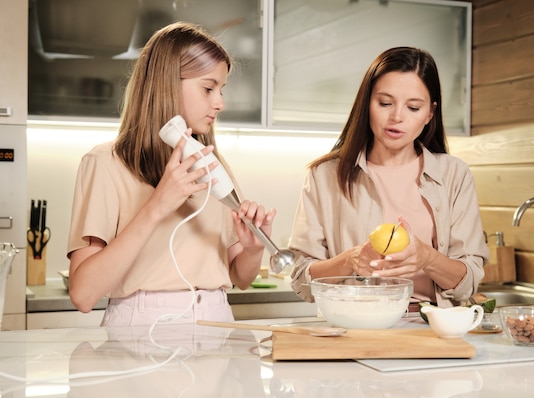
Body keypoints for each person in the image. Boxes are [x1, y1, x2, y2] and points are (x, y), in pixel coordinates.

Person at [67, 22, 275, 326]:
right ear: (166, 84)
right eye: (208, 88)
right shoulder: (104, 163)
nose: (220, 103)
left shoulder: (212, 164)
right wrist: (157, 206)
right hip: (140, 330)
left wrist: (253, 249)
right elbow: (83, 294)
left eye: (221, 89)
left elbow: (240, 278)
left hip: (217, 325)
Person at [288, 47, 489, 308]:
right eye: (385, 103)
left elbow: (469, 282)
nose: (396, 117)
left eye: (413, 107)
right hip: (353, 328)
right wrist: (351, 259)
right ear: (366, 103)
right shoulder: (324, 176)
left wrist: (427, 258)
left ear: (430, 113)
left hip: (430, 330)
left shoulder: (455, 175)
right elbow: (300, 280)